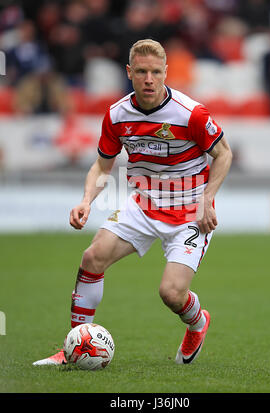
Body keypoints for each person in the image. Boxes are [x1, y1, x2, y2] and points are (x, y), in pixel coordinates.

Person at [33, 38, 232, 366]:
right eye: (141, 72)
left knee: (171, 294)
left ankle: (197, 322)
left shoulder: (190, 113)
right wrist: (86, 200)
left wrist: (208, 200)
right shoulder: (117, 115)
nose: (149, 79)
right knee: (92, 257)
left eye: (156, 72)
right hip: (143, 205)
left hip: (190, 214)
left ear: (166, 72)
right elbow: (102, 165)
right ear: (129, 72)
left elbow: (224, 154)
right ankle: (75, 347)